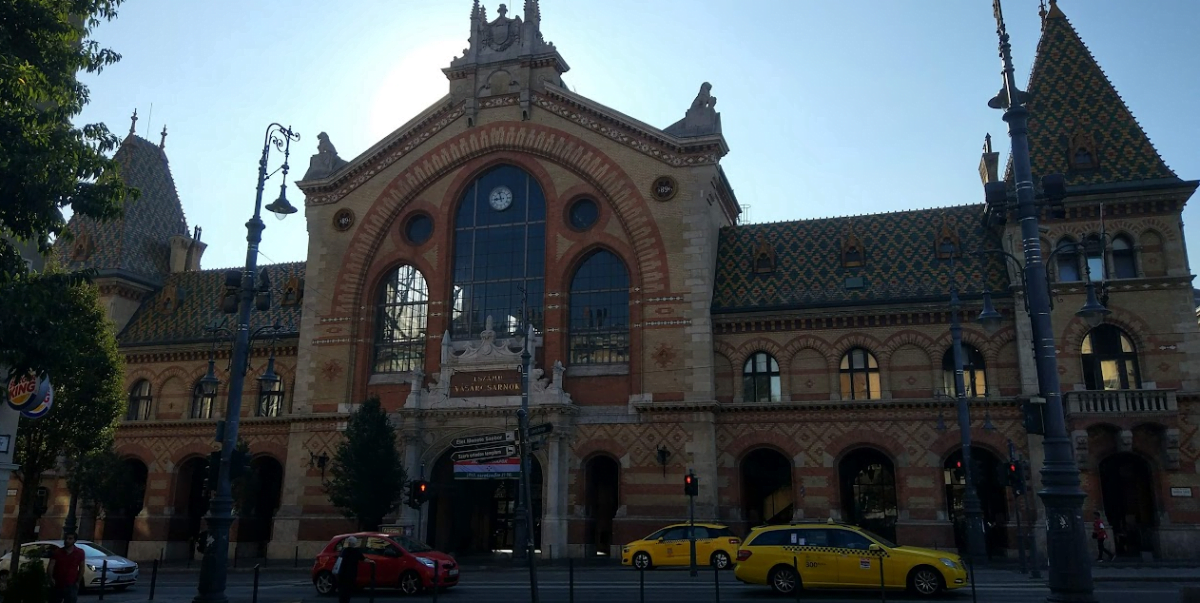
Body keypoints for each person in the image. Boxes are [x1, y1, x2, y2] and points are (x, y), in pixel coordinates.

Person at [47, 532, 86, 603]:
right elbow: (51, 566)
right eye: (66, 538)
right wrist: (51, 578)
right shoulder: (57, 552)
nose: (67, 540)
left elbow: (82, 567)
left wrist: (78, 582)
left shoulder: (80, 552)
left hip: (71, 583)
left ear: (74, 540)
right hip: (58, 583)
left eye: (70, 539)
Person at [334, 536, 369, 603]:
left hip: (343, 574)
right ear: (354, 543)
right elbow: (363, 559)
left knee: (342, 591)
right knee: (348, 591)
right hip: (351, 574)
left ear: (348, 543)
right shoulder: (356, 552)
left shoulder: (344, 551)